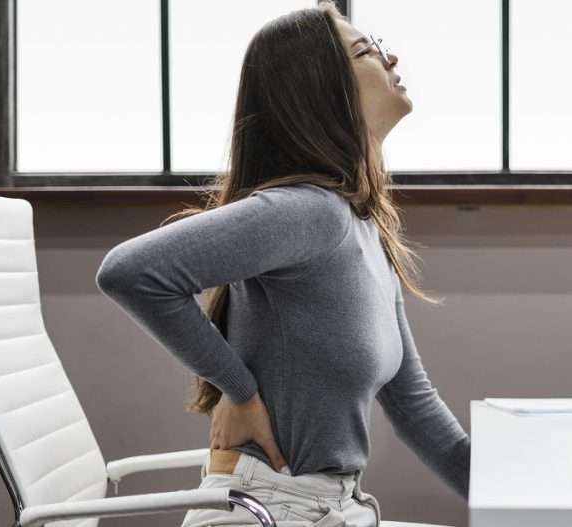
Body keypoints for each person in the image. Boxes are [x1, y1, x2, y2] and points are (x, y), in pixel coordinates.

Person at [94, 2, 469, 526]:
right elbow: (129, 272)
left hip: (330, 507)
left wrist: (521, 498)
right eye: (368, 50)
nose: (391, 56)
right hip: (269, 509)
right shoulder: (309, 211)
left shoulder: (361, 225)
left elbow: (414, 405)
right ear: (324, 90)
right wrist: (239, 389)